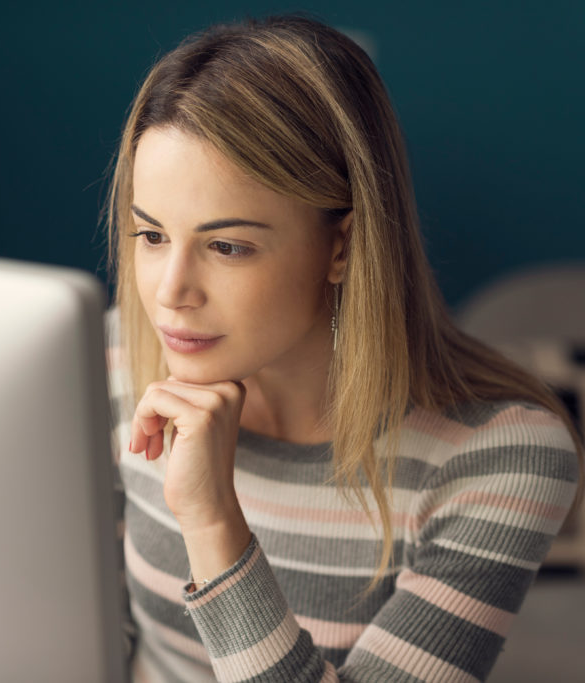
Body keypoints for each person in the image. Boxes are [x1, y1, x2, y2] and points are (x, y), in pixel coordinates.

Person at [102, 15, 584, 683]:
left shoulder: (503, 455)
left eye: (227, 246)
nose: (170, 292)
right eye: (150, 236)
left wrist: (213, 522)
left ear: (342, 246)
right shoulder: (121, 357)